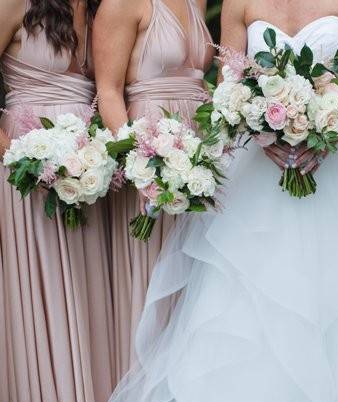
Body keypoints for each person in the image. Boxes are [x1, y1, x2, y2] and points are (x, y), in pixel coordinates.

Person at [99, 0, 338, 402]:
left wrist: (330, 127)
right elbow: (228, 89)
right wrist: (261, 133)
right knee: (253, 303)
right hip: (258, 173)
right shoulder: (240, 3)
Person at [0, 0, 115, 402]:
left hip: (85, 177)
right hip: (23, 179)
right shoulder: (11, 3)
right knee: (42, 302)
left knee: (86, 297)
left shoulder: (98, 9)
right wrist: (21, 160)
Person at [93, 0, 214, 378]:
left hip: (200, 147)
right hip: (151, 147)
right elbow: (109, 92)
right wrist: (142, 166)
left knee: (200, 274)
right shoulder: (120, 4)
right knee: (153, 277)